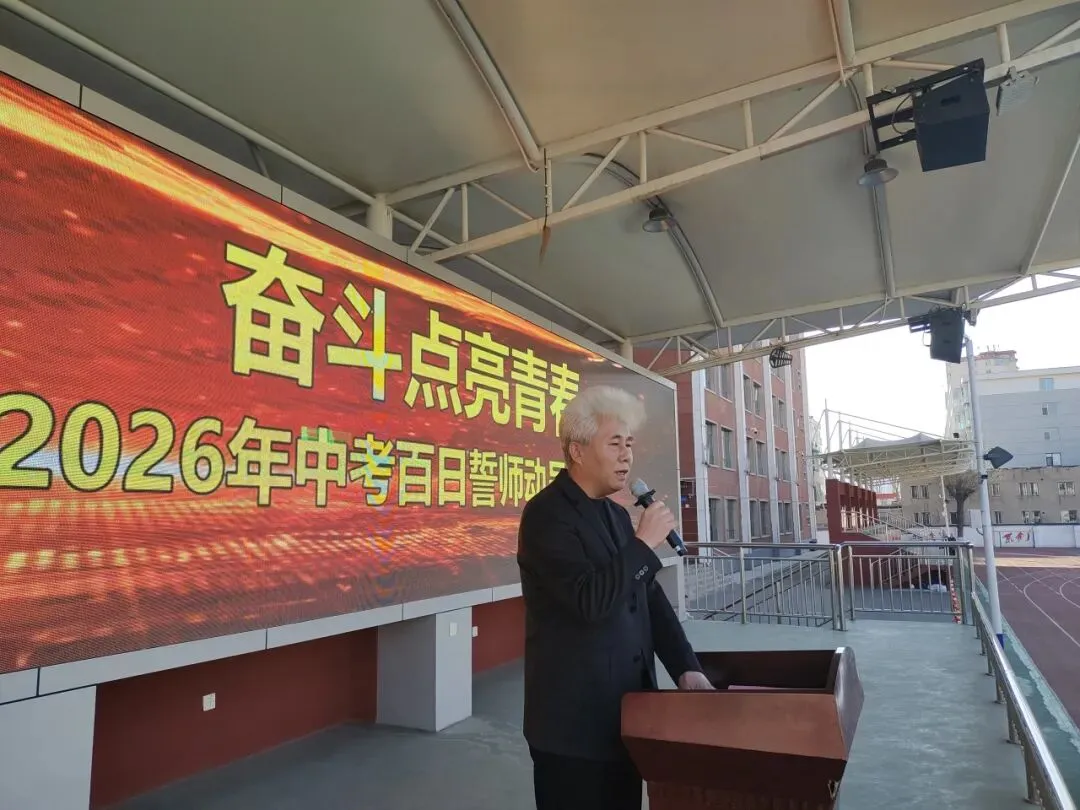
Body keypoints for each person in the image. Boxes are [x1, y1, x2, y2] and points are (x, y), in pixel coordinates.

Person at [517, 385, 712, 810]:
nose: (627, 456)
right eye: (614, 443)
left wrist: (685, 668)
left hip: (628, 717)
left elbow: (650, 599)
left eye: (630, 444)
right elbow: (588, 603)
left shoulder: (617, 515)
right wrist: (642, 545)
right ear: (578, 450)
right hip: (573, 729)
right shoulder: (546, 515)